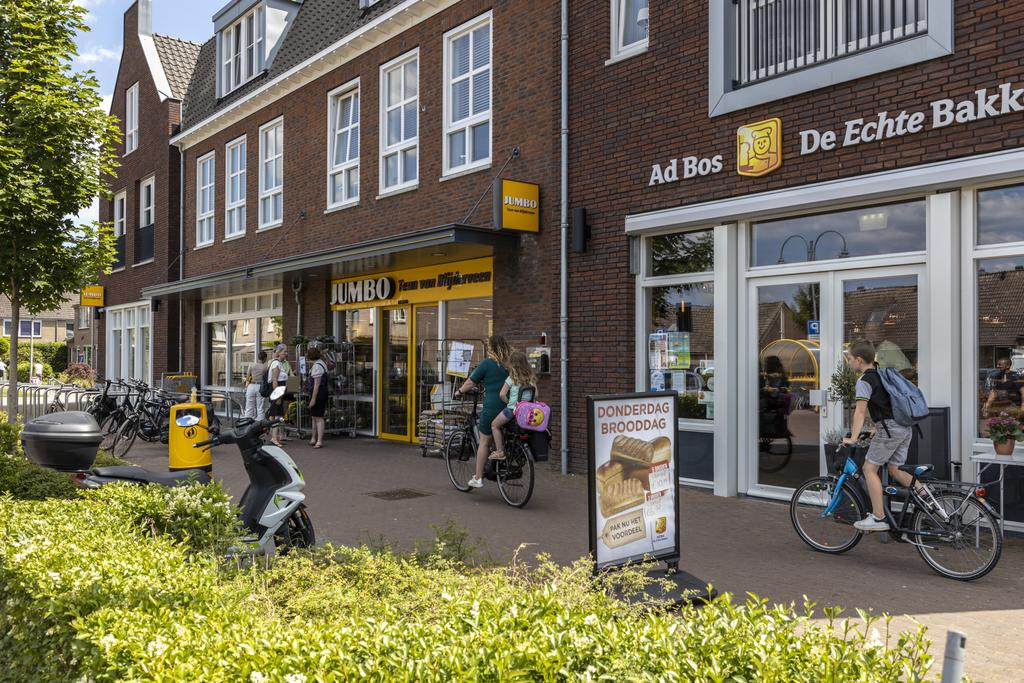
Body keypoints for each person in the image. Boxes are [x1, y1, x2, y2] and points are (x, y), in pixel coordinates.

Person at [843, 340, 921, 532]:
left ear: (859, 360)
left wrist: (853, 438)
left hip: (890, 429)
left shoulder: (864, 380)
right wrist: (877, 427)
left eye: (850, 358)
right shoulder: (881, 374)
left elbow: (860, 412)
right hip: (904, 427)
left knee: (869, 469)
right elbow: (886, 405)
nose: (849, 362)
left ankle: (878, 517)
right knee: (895, 469)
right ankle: (930, 498)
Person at [453, 335, 513, 489]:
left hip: (493, 406)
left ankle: (478, 478)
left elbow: (471, 382)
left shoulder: (487, 363)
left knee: (485, 442)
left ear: (491, 348)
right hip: (511, 406)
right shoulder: (511, 363)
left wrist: (459, 391)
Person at [488, 350, 535, 461]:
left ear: (512, 364)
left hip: (513, 410)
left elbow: (502, 394)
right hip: (527, 411)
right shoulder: (530, 378)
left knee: (494, 425)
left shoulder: (511, 378)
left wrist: (509, 402)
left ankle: (500, 452)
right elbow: (536, 394)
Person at [306, 346, 329, 449]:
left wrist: (313, 398)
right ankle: (314, 438)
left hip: (318, 393)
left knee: (318, 417)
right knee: (314, 416)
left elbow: (317, 384)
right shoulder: (321, 363)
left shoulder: (317, 366)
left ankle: (319, 440)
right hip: (321, 393)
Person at [267, 344, 289, 447]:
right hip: (277, 390)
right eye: (285, 351)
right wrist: (278, 396)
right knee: (276, 414)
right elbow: (275, 380)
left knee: (273, 414)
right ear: (279, 352)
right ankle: (274, 438)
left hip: (278, 390)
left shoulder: (277, 363)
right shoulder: (276, 363)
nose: (286, 353)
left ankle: (273, 436)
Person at [244, 351, 268, 419]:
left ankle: (247, 422)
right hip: (260, 386)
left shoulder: (251, 365)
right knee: (260, 407)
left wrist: (246, 386)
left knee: (249, 407)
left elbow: (247, 378)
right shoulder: (265, 366)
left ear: (258, 357)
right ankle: (260, 423)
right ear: (265, 358)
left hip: (251, 386)